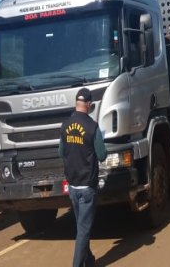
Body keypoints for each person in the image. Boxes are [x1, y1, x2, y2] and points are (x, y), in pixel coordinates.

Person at [59, 87, 107, 267]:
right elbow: (102, 155)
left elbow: (61, 151)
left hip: (72, 186)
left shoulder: (65, 126)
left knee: (81, 228)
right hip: (87, 186)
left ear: (76, 104)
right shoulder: (92, 127)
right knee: (84, 231)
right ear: (89, 105)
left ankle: (89, 260)